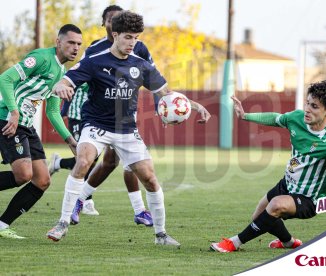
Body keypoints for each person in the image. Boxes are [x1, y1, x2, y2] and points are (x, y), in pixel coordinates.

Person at [46, 11, 211, 246]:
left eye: (135, 38)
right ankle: (62, 223)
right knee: (83, 162)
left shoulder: (141, 65)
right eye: (127, 37)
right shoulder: (95, 61)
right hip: (95, 125)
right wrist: (61, 87)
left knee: (151, 180)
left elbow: (166, 93)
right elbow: (65, 81)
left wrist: (194, 106)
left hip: (126, 130)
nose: (132, 43)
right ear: (115, 35)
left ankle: (161, 235)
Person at [210, 81, 326, 253]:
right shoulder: (297, 118)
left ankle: (234, 243)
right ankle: (289, 242)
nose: (307, 109)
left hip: (309, 199)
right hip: (287, 184)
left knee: (275, 205)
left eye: (314, 106)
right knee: (258, 216)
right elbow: (275, 118)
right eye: (307, 103)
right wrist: (245, 115)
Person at [48, 5, 155, 226]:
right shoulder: (95, 49)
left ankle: (83, 198)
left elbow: (153, 77)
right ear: (106, 24)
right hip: (97, 114)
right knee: (95, 159)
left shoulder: (139, 47)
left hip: (125, 114)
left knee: (114, 162)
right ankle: (138, 209)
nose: (114, 22)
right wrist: (66, 107)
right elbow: (77, 74)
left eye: (119, 18)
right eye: (110, 19)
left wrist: (160, 105)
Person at [0, 24, 82, 239]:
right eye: (71, 42)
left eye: (78, 44)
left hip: (26, 126)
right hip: (7, 119)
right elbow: (5, 79)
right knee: (23, 175)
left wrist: (70, 141)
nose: (75, 48)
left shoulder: (61, 73)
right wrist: (14, 112)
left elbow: (53, 112)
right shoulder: (41, 58)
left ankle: (1, 224)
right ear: (58, 42)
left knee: (42, 180)